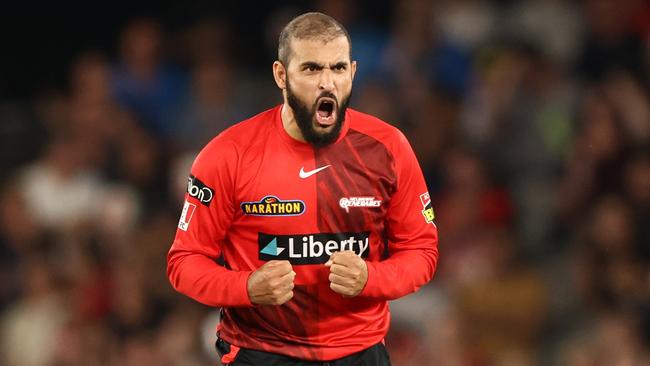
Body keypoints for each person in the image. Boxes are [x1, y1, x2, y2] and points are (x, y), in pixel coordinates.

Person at [167, 12, 439, 365]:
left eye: (338, 68)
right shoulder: (227, 155)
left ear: (353, 72)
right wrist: (246, 288)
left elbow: (422, 250)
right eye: (312, 69)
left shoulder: (389, 148)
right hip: (261, 352)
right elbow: (184, 262)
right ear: (281, 74)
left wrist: (373, 277)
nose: (327, 83)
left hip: (360, 352)